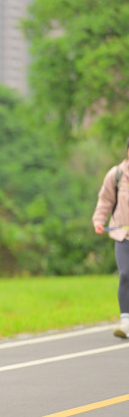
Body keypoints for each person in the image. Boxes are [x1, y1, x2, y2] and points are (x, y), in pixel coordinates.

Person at [93, 138, 129, 339]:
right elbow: (105, 200)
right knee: (125, 274)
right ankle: (126, 321)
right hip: (122, 236)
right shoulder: (116, 175)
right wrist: (99, 220)